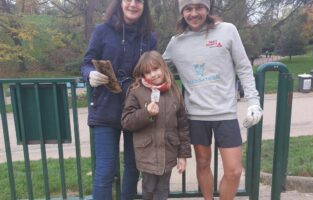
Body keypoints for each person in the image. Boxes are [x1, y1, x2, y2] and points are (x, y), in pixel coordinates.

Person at [162, 0, 263, 199]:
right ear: (182, 13)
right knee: (202, 163)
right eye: (188, 9)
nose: (193, 13)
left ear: (207, 9)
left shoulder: (227, 30)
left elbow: (243, 67)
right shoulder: (176, 42)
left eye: (199, 7)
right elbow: (153, 66)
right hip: (196, 116)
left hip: (225, 113)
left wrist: (253, 100)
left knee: (234, 171)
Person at [81, 0, 157, 199]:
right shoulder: (102, 31)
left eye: (139, 1)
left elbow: (155, 68)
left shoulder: (149, 37)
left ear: (144, 6)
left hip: (136, 110)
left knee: (133, 167)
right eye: (128, 0)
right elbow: (86, 63)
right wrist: (90, 74)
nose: (133, 4)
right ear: (120, 3)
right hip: (106, 109)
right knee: (105, 170)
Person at [121, 50, 192, 199]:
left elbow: (183, 126)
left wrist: (183, 155)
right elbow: (127, 121)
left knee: (163, 189)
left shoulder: (174, 91)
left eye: (155, 69)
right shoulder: (136, 91)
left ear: (163, 67)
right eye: (148, 72)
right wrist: (146, 113)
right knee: (149, 189)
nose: (153, 74)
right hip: (147, 154)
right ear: (142, 74)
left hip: (168, 151)